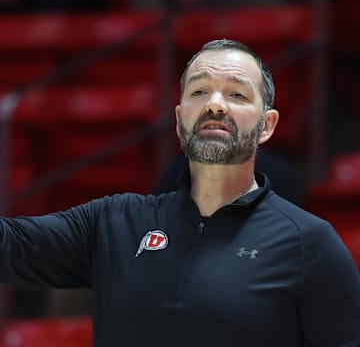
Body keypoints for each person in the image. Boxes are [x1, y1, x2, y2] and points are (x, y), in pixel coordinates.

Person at [0, 39, 359, 346]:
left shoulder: (308, 243)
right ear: (179, 119)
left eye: (236, 93)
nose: (214, 104)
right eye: (199, 91)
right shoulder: (113, 223)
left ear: (266, 125)